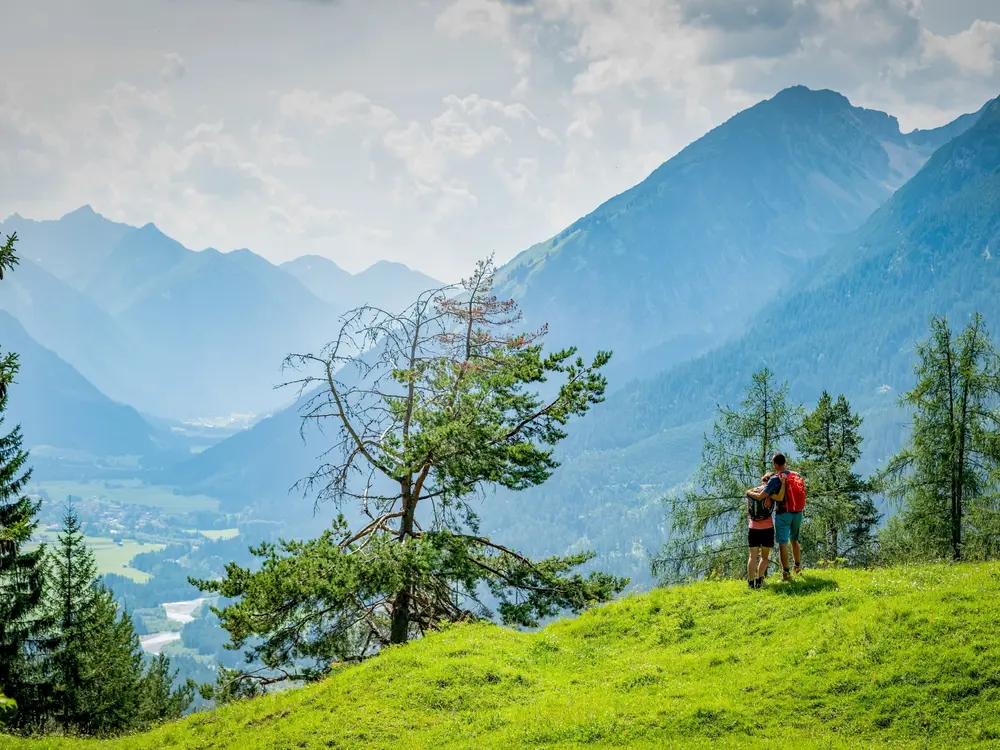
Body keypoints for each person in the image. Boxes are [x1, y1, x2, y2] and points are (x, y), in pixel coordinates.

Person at [770, 453, 803, 579]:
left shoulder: (776, 478)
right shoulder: (796, 475)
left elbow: (765, 493)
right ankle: (797, 566)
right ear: (785, 462)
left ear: (776, 465)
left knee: (783, 543)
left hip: (783, 514)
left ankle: (786, 573)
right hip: (798, 513)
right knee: (794, 540)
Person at [745, 471, 775, 589]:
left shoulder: (752, 491)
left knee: (752, 556)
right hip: (767, 528)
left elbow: (748, 511)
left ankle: (750, 582)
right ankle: (759, 580)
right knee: (764, 556)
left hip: (753, 527)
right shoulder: (771, 492)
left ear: (763, 479)